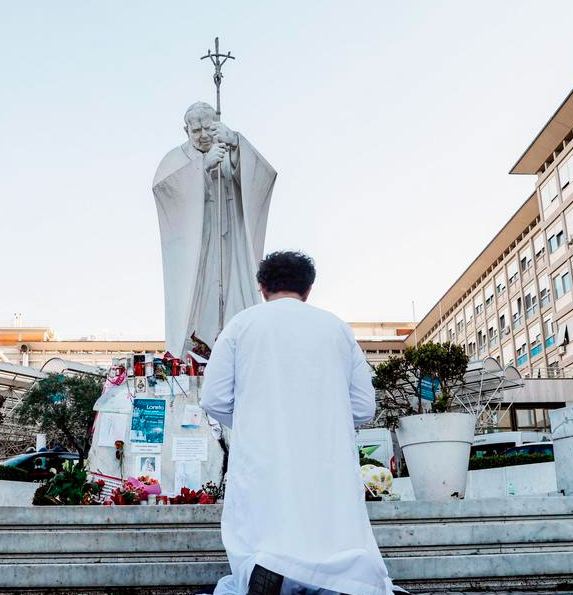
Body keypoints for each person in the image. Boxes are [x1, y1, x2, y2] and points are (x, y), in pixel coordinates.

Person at [201, 251, 394, 595]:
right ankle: (333, 581)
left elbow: (213, 398)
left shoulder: (241, 325)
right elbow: (364, 406)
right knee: (327, 524)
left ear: (262, 287)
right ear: (308, 290)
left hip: (263, 452)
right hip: (325, 454)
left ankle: (269, 567)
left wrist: (250, 422)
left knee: (266, 520)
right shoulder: (336, 328)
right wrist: (326, 419)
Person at [152, 102, 277, 358]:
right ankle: (194, 349)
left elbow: (263, 177)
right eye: (195, 130)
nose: (203, 135)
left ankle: (238, 345)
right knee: (199, 300)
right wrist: (202, 168)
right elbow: (165, 191)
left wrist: (236, 146)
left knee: (235, 291)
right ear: (185, 129)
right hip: (197, 248)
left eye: (208, 128)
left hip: (231, 242)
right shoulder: (176, 159)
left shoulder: (228, 147)